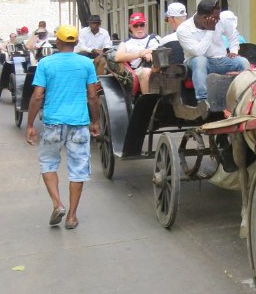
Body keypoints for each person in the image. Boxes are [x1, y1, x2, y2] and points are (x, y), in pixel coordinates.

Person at [26, 24, 99, 230]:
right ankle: (72, 217)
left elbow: (38, 95)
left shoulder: (46, 64)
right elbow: (92, 96)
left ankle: (58, 204)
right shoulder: (86, 63)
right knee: (78, 170)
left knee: (48, 163)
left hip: (53, 123)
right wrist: (95, 121)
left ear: (56, 42)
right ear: (76, 42)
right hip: (79, 123)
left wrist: (30, 124)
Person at [177, 0, 250, 102]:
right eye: (216, 17)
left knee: (243, 62)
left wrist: (234, 51)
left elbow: (233, 36)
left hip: (220, 60)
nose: (219, 18)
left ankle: (244, 97)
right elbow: (198, 52)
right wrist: (209, 31)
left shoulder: (221, 20)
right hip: (196, 64)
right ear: (204, 18)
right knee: (200, 60)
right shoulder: (184, 29)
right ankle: (202, 100)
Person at [113, 13, 160, 94]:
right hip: (140, 69)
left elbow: (165, 49)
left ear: (145, 25)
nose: (139, 28)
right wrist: (139, 54)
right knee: (146, 72)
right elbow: (118, 57)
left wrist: (150, 52)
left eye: (141, 25)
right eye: (135, 26)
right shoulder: (126, 43)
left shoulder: (156, 38)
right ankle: (147, 100)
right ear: (130, 27)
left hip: (158, 66)